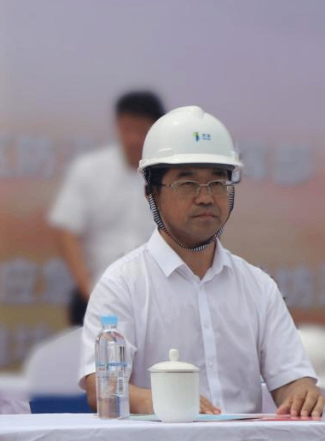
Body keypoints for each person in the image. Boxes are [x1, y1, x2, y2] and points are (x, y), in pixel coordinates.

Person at [79, 106, 322, 417]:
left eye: (217, 183)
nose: (206, 197)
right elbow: (101, 389)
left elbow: (291, 380)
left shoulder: (258, 287)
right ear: (151, 193)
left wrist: (303, 392)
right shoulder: (122, 284)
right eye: (188, 184)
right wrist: (165, 402)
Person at [48, 91, 165, 326]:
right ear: (117, 126)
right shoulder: (89, 169)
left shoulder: (171, 176)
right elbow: (65, 229)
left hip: (158, 299)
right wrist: (88, 290)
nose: (134, 139)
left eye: (142, 130)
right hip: (96, 293)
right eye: (128, 129)